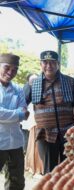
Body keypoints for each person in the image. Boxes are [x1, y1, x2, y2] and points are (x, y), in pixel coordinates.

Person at [28, 50, 74, 174]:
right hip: (45, 135)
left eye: (52, 62)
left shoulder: (70, 82)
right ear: (40, 64)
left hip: (68, 133)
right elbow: (22, 103)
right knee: (49, 171)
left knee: (69, 169)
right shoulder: (33, 84)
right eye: (45, 62)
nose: (49, 66)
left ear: (58, 64)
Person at [0, 53, 30, 190]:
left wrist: (10, 115)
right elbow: (20, 113)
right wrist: (18, 114)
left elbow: (25, 113)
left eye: (14, 69)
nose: (10, 72)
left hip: (16, 142)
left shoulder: (18, 89)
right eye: (7, 68)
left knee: (17, 182)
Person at [21, 73, 38, 153]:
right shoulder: (27, 87)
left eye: (36, 80)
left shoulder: (37, 88)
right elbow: (24, 103)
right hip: (28, 119)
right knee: (27, 138)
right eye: (32, 80)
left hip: (31, 119)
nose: (34, 82)